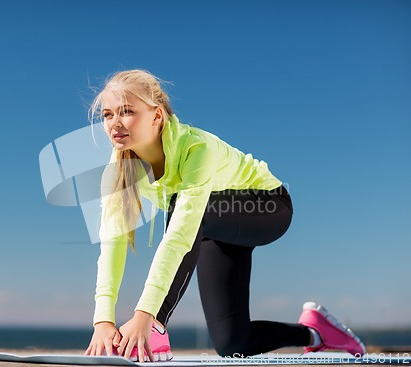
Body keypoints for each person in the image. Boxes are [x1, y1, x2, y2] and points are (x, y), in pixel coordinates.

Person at [84, 70, 366, 362]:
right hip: (214, 225)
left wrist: (146, 314)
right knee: (232, 343)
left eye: (127, 111)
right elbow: (112, 244)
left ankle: (157, 327)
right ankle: (315, 332)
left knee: (188, 209)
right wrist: (103, 320)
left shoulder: (196, 148)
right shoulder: (119, 170)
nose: (114, 123)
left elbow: (180, 234)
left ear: (156, 116)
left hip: (267, 206)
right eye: (106, 115)